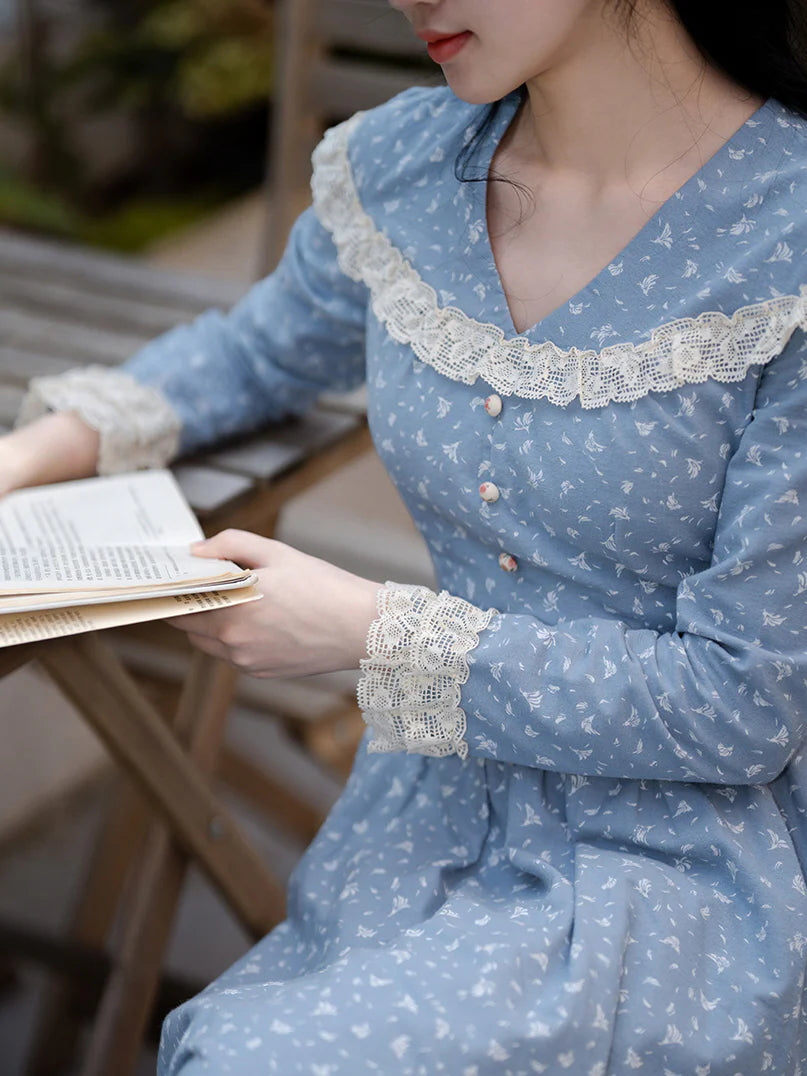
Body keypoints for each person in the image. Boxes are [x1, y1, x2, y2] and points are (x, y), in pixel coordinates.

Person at [4, 0, 807, 1070]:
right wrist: (20, 461)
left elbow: (742, 702)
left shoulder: (786, 237)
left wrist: (366, 627)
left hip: (696, 863)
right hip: (430, 813)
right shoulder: (407, 169)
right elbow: (259, 352)